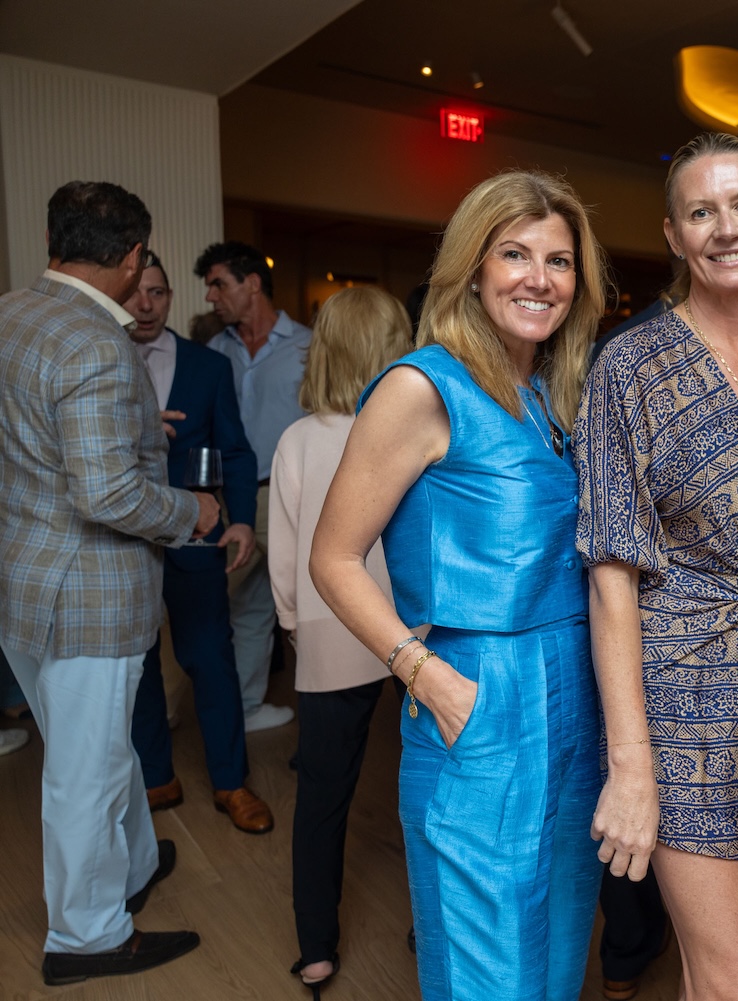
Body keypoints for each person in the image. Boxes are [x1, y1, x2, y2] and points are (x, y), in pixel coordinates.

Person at [309, 169, 608, 1000]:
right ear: (472, 269)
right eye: (515, 254)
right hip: (479, 692)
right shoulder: (422, 386)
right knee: (489, 971)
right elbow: (332, 557)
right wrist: (426, 675)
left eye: (559, 260)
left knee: (558, 952)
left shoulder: (553, 392)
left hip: (574, 692)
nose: (539, 278)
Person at [574, 131, 738, 1001]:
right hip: (679, 702)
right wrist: (630, 763)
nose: (727, 228)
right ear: (675, 235)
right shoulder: (629, 366)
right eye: (701, 212)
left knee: (710, 971)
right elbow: (610, 575)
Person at [0, 180, 218, 984]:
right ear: (132, 258)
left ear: (52, 240)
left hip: (22, 580)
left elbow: (36, 441)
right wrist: (192, 510)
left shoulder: (9, 314)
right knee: (84, 774)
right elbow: (109, 495)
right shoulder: (96, 342)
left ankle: (130, 866)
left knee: (97, 747)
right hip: (84, 594)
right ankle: (86, 936)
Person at [269, 286, 412, 997]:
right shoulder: (415, 430)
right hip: (414, 627)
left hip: (331, 623)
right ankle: (433, 923)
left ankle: (316, 948)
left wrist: (297, 626)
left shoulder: (297, 440)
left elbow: (285, 554)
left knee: (322, 796)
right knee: (432, 785)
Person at [123, 251, 272, 834]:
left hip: (197, 533)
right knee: (138, 663)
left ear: (169, 297)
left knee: (210, 657)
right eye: (136, 292)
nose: (146, 305)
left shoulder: (207, 366)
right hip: (122, 539)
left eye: (158, 293)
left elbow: (235, 448)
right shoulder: (100, 357)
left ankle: (231, 781)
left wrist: (241, 519)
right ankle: (156, 775)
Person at [198, 240, 313, 733]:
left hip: (293, 497)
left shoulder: (308, 346)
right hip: (233, 500)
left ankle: (258, 709)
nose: (210, 297)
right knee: (213, 602)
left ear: (252, 284)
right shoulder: (214, 352)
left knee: (292, 607)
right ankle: (172, 711)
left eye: (218, 284)